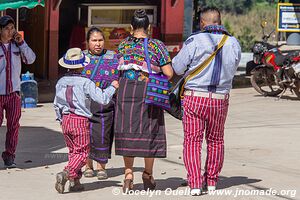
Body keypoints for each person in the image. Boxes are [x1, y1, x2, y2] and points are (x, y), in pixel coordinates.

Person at [172, 7, 241, 196]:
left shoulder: (194, 41)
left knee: (192, 141)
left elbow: (177, 68)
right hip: (220, 99)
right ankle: (211, 182)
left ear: (202, 23)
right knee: (216, 140)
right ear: (219, 21)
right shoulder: (233, 43)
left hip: (195, 98)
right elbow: (234, 68)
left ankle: (195, 183)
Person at [115, 9, 173, 193]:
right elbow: (169, 73)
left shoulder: (123, 45)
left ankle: (128, 175)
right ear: (149, 27)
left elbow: (118, 68)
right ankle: (147, 174)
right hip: (148, 91)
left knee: (127, 129)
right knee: (150, 130)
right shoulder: (157, 46)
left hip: (125, 90)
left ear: (131, 27)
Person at [53, 48, 119, 194]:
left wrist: (60, 119)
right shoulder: (85, 82)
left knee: (73, 152)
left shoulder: (60, 82)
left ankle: (75, 182)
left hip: (65, 120)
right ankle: (66, 173)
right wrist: (112, 87)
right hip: (80, 120)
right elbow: (102, 98)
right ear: (82, 65)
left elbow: (56, 103)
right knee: (83, 153)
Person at [81, 27, 119, 180]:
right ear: (87, 42)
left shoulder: (113, 57)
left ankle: (101, 166)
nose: (98, 44)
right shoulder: (80, 57)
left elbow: (119, 78)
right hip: (84, 103)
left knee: (103, 134)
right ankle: (87, 166)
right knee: (85, 134)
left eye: (100, 40)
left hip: (106, 102)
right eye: (94, 40)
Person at [0, 15, 36, 168]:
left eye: (12, 28)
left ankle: (9, 156)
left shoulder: (17, 46)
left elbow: (31, 59)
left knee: (14, 126)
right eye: (6, 29)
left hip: (14, 94)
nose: (10, 31)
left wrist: (22, 42)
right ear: (0, 30)